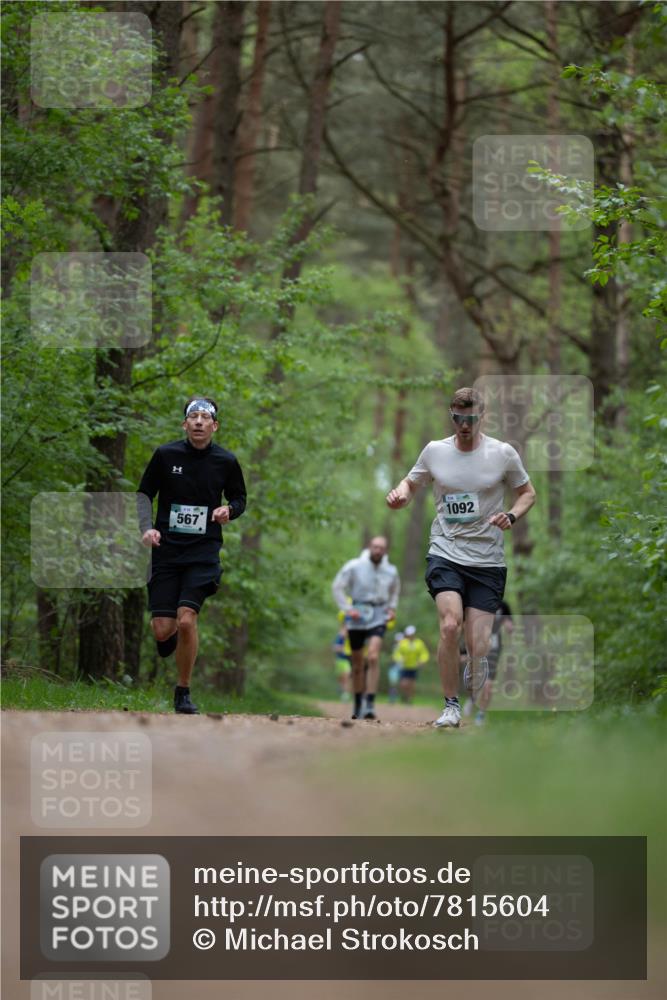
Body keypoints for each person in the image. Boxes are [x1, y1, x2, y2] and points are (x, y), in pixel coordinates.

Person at [386, 386, 535, 729]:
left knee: (478, 645)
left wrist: (511, 516)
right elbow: (411, 482)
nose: (464, 425)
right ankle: (450, 706)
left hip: (487, 561)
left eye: (470, 419)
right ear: (451, 415)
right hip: (446, 551)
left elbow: (528, 493)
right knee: (450, 625)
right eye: (458, 418)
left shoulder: (502, 453)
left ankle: (474, 699)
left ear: (481, 417)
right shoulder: (435, 451)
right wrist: (401, 494)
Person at [137, 397, 247, 714]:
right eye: (193, 417)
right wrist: (146, 528)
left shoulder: (226, 461)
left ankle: (182, 691)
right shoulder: (165, 454)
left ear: (215, 426)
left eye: (205, 417)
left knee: (187, 620)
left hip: (203, 551)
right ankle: (166, 638)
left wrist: (230, 510)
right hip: (166, 550)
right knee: (163, 628)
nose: (199, 422)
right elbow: (145, 493)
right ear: (185, 424)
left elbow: (239, 498)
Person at [332, 536, 400, 720]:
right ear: (370, 547)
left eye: (381, 548)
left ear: (385, 550)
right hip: (358, 613)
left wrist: (392, 608)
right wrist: (347, 609)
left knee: (373, 655)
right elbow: (338, 587)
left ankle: (370, 702)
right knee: (357, 662)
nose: (378, 550)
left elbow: (395, 591)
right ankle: (358, 703)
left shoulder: (391, 571)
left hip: (379, 613)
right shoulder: (354, 566)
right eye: (375, 546)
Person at [463, 598, 513, 725]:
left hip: (494, 647)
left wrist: (509, 626)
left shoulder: (503, 605)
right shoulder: (477, 599)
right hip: (478, 643)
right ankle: (472, 699)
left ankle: (481, 714)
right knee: (476, 678)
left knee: (488, 684)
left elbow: (509, 624)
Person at [395, 625, 430, 704]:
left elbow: (424, 653)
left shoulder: (419, 643)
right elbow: (397, 653)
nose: (410, 636)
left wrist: (422, 660)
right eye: (409, 634)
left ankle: (409, 698)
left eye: (412, 634)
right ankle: (405, 695)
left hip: (414, 666)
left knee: (411, 684)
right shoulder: (403, 643)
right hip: (404, 666)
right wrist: (400, 658)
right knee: (403, 683)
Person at [332, 615, 352, 701]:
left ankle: (346, 694)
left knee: (347, 676)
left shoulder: (353, 636)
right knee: (341, 678)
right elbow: (334, 648)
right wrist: (343, 648)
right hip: (340, 660)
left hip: (349, 660)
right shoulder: (340, 637)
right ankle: (343, 691)